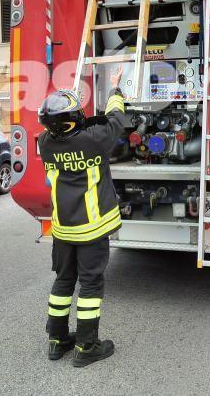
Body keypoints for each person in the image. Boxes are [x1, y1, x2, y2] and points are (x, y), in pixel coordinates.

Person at [38, 67, 130, 367]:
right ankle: (87, 346)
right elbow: (116, 120)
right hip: (92, 230)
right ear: (73, 119)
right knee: (90, 287)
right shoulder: (94, 140)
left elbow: (73, 129)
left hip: (63, 230)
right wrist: (115, 89)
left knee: (63, 282)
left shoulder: (45, 143)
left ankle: (56, 340)